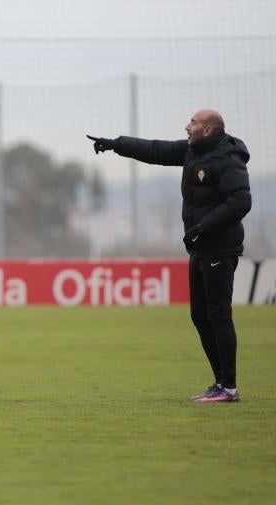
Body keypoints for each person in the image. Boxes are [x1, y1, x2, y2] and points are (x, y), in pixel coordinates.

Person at [87, 109, 251, 403]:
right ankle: (220, 383)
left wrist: (203, 227)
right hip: (199, 248)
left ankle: (229, 386)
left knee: (218, 315)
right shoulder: (193, 152)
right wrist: (116, 144)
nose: (187, 127)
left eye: (194, 123)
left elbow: (241, 202)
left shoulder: (227, 159)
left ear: (210, 130)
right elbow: (154, 149)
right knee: (199, 316)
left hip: (220, 248)